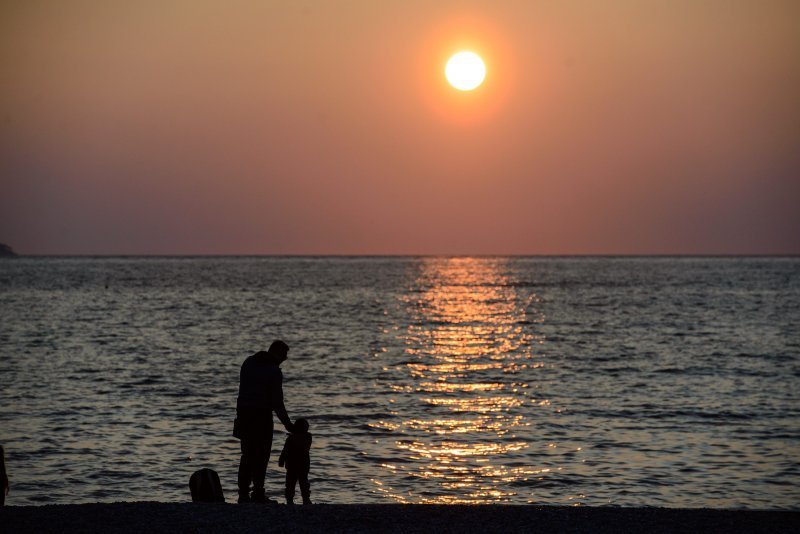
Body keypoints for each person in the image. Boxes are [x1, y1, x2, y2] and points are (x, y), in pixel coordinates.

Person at [235, 340, 294, 503]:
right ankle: (258, 493)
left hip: (243, 414)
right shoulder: (274, 371)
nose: (285, 359)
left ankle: (243, 494)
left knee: (247, 455)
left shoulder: (248, 362)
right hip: (261, 416)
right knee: (261, 455)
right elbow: (277, 402)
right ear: (276, 352)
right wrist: (288, 424)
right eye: (284, 355)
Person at [278, 418, 312, 505]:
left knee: (291, 483)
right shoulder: (307, 437)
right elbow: (285, 450)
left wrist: (281, 460)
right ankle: (305, 499)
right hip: (302, 464)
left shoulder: (292, 438)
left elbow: (285, 451)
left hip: (293, 464)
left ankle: (290, 500)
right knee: (302, 483)